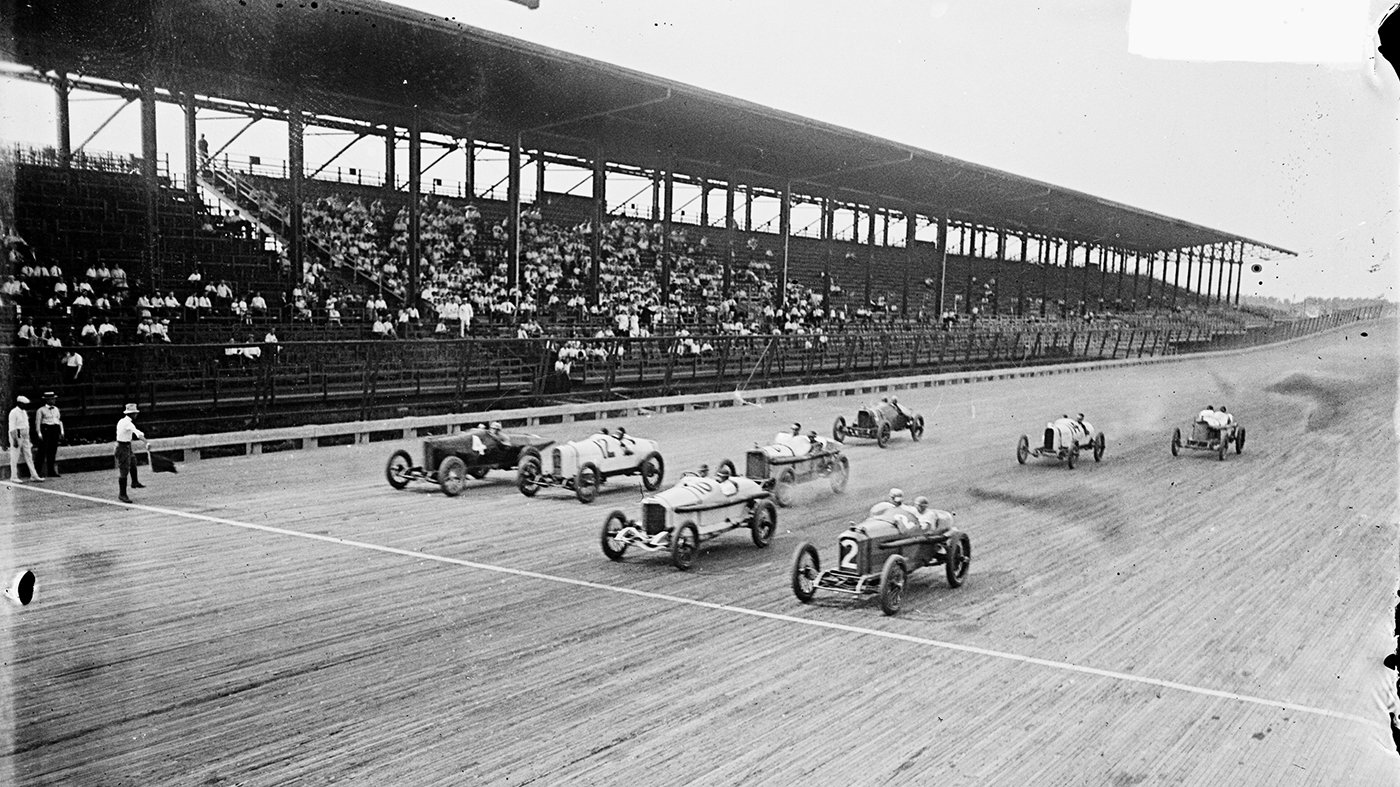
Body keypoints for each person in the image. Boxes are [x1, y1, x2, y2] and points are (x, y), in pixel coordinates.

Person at [114, 402, 146, 503]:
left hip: (125, 446)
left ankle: (134, 482)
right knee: (124, 470)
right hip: (123, 447)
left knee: (133, 462)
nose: (136, 414)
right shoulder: (128, 423)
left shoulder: (122, 421)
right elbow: (138, 433)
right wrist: (146, 442)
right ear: (132, 414)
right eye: (135, 413)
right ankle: (122, 494)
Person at [7, 396, 41, 482]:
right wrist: (14, 440)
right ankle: (13, 476)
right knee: (15, 456)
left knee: (29, 455)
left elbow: (26, 425)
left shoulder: (24, 412)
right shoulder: (13, 412)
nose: (26, 406)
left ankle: (34, 475)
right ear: (20, 404)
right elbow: (12, 427)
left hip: (25, 435)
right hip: (17, 434)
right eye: (24, 404)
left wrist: (28, 438)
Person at [35, 392, 63, 478]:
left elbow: (59, 420)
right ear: (47, 400)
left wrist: (61, 432)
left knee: (52, 451)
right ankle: (37, 472)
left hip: (54, 429)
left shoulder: (56, 409)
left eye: (54, 398)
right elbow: (38, 422)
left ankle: (51, 471)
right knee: (42, 451)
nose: (54, 400)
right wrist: (39, 433)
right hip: (46, 429)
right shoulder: (41, 410)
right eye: (52, 399)